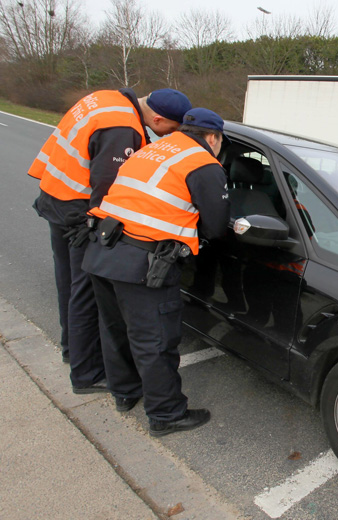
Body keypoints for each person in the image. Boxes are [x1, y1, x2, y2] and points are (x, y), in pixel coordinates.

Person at [27, 87, 191, 393]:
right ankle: (87, 374)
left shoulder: (106, 99)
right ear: (157, 118)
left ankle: (72, 351)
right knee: (87, 293)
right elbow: (109, 190)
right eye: (172, 129)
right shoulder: (122, 127)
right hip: (79, 211)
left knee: (69, 284)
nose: (170, 136)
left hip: (57, 197)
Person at [82, 108, 229, 436]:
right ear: (213, 137)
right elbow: (217, 227)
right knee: (154, 340)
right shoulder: (204, 163)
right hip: (143, 263)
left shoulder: (153, 148)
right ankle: (166, 415)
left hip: (102, 249)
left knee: (115, 328)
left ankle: (125, 392)